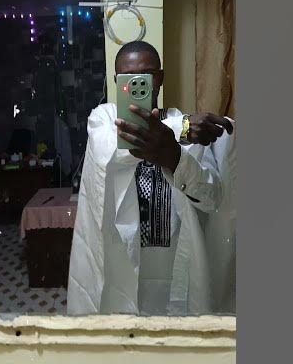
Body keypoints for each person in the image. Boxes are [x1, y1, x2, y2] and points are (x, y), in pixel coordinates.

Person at [67, 41, 236, 316]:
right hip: (121, 267)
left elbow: (211, 197)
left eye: (146, 75)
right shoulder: (104, 119)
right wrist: (181, 130)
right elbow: (110, 148)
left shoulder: (189, 134)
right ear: (116, 81)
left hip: (173, 270)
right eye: (128, 77)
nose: (137, 83)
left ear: (160, 78)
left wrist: (175, 156)